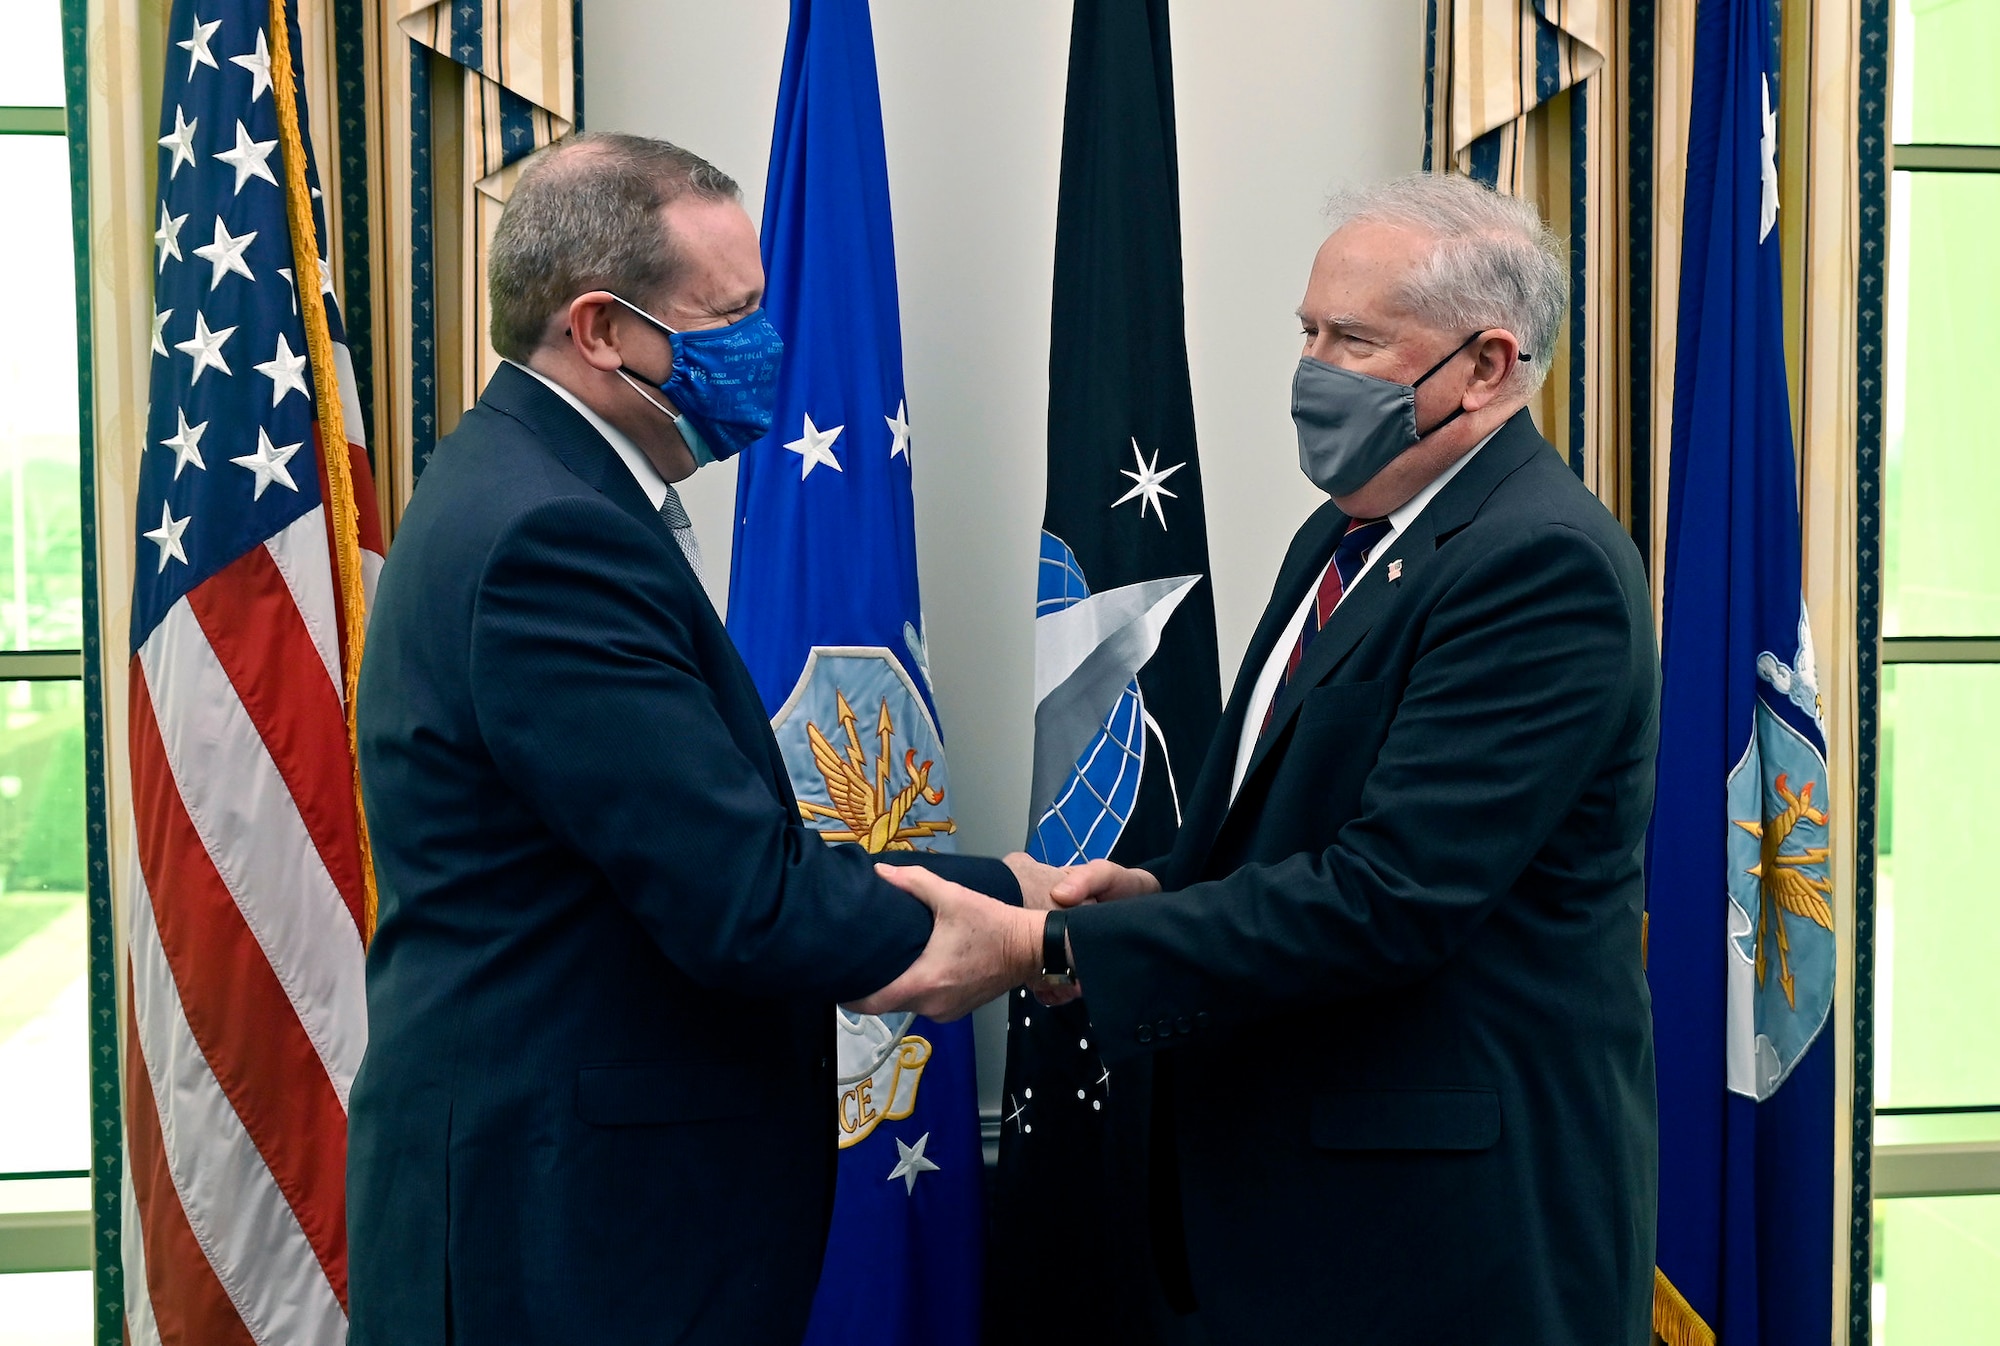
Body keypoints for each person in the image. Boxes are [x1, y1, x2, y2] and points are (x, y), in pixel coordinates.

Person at [866, 174, 1660, 1344]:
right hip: (1284, 1210)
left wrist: (1049, 939)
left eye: (1354, 339)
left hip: (1438, 1240)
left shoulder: (1537, 566)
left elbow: (1388, 898)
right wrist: (1156, 891)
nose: (1312, 368)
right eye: (1307, 330)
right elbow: (1284, 823)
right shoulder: (1348, 530)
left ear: (1486, 366)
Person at [347, 132, 1031, 1346]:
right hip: (574, 1239)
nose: (763, 346)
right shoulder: (550, 536)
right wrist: (1034, 925)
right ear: (600, 329)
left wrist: (1006, 884)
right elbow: (741, 897)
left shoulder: (530, 481)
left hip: (583, 1210)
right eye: (731, 314)